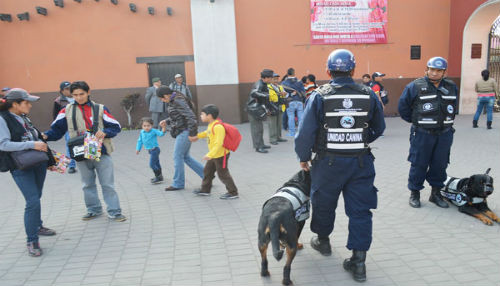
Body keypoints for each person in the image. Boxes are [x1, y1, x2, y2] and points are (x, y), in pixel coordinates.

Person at [295, 49, 385, 282]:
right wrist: (359, 139)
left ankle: (323, 242)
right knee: (361, 210)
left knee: (323, 203)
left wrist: (303, 157)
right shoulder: (369, 94)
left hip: (328, 163)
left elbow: (305, 133)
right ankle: (359, 262)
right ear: (354, 70)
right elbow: (379, 128)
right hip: (361, 162)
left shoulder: (319, 95)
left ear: (328, 71)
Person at [44, 81, 126, 222]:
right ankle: (93, 209)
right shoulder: (66, 111)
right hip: (80, 151)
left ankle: (115, 211)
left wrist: (105, 132)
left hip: (100, 151)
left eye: (81, 94)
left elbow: (115, 126)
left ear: (88, 92)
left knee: (107, 184)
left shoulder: (100, 108)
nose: (79, 97)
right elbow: (56, 130)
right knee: (87, 184)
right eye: (75, 95)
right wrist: (44, 136)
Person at [0, 88, 56, 257]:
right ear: (15, 104)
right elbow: (3, 144)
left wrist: (49, 156)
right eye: (26, 102)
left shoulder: (23, 116)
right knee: (32, 201)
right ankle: (32, 240)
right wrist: (32, 145)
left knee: (36, 197)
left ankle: (37, 226)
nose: (30, 105)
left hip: (37, 162)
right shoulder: (3, 119)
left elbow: (34, 137)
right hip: (21, 166)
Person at [398, 57, 458, 209]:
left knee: (440, 164)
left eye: (438, 70)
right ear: (426, 69)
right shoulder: (415, 86)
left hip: (444, 134)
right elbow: (403, 108)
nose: (434, 73)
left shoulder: (451, 86)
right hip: (422, 134)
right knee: (419, 164)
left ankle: (435, 194)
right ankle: (415, 193)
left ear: (444, 72)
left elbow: (453, 106)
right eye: (431, 69)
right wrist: (417, 121)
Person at [156, 86, 204, 191]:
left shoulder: (177, 100)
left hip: (185, 131)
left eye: (161, 99)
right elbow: (178, 115)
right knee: (185, 157)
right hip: (183, 130)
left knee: (177, 156)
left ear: (165, 95)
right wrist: (167, 121)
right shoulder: (174, 99)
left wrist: (192, 133)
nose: (162, 101)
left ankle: (178, 183)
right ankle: (206, 175)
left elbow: (191, 117)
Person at [190, 104, 239, 199]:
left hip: (220, 155)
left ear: (209, 116)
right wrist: (197, 136)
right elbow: (207, 133)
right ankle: (205, 190)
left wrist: (210, 154)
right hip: (214, 155)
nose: (201, 116)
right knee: (207, 171)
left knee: (223, 174)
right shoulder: (211, 125)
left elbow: (219, 143)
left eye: (202, 114)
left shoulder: (218, 127)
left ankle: (233, 192)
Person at [53, 81, 77, 174]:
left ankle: (90, 164)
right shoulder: (58, 101)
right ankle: (71, 165)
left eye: (70, 88)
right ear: (62, 91)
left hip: (82, 126)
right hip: (68, 128)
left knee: (86, 143)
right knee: (70, 145)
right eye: (67, 89)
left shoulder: (77, 97)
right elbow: (56, 116)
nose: (69, 90)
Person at [247, 69, 273, 153]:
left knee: (260, 128)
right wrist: (266, 95)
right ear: (265, 78)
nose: (272, 79)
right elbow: (254, 93)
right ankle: (258, 147)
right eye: (270, 78)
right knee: (256, 129)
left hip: (258, 109)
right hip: (253, 110)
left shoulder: (264, 84)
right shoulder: (259, 84)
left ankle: (261, 144)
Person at [136, 117, 166, 184]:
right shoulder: (142, 132)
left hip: (155, 149)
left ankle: (158, 177)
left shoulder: (154, 131)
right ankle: (160, 176)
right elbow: (140, 141)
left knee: (152, 164)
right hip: (150, 150)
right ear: (142, 126)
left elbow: (161, 134)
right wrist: (138, 149)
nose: (146, 127)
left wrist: (163, 128)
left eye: (148, 126)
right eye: (144, 126)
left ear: (151, 125)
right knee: (157, 163)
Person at [282, 68, 305, 137]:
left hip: (290, 101)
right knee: (300, 117)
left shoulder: (284, 83)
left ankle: (292, 133)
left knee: (291, 117)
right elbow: (303, 92)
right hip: (299, 101)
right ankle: (301, 132)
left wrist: (290, 95)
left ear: (287, 73)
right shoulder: (299, 82)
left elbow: (283, 93)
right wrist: (303, 100)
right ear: (294, 73)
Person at [267, 73, 288, 145]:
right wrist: (280, 94)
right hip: (272, 107)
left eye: (277, 79)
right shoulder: (268, 87)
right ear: (271, 79)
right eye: (274, 79)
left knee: (279, 123)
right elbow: (269, 97)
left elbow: (286, 94)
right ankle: (272, 139)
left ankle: (279, 137)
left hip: (280, 107)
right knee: (272, 124)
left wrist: (285, 94)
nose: (276, 80)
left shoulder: (280, 87)